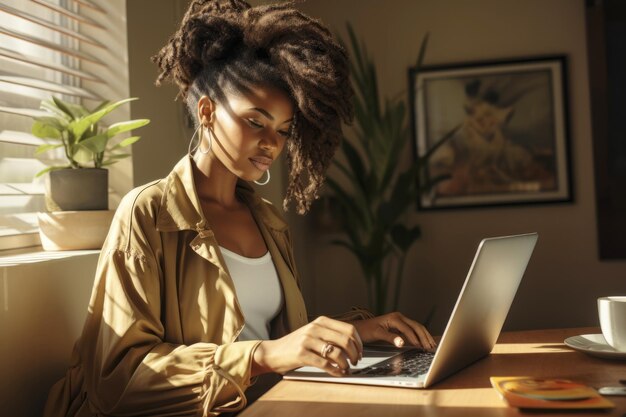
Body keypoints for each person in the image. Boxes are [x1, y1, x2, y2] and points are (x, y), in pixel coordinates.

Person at [43, 1, 436, 416]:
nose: (272, 144)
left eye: (284, 130)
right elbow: (118, 379)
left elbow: (281, 342)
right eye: (256, 122)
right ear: (207, 112)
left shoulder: (268, 222)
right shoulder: (148, 214)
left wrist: (356, 331)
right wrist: (259, 357)